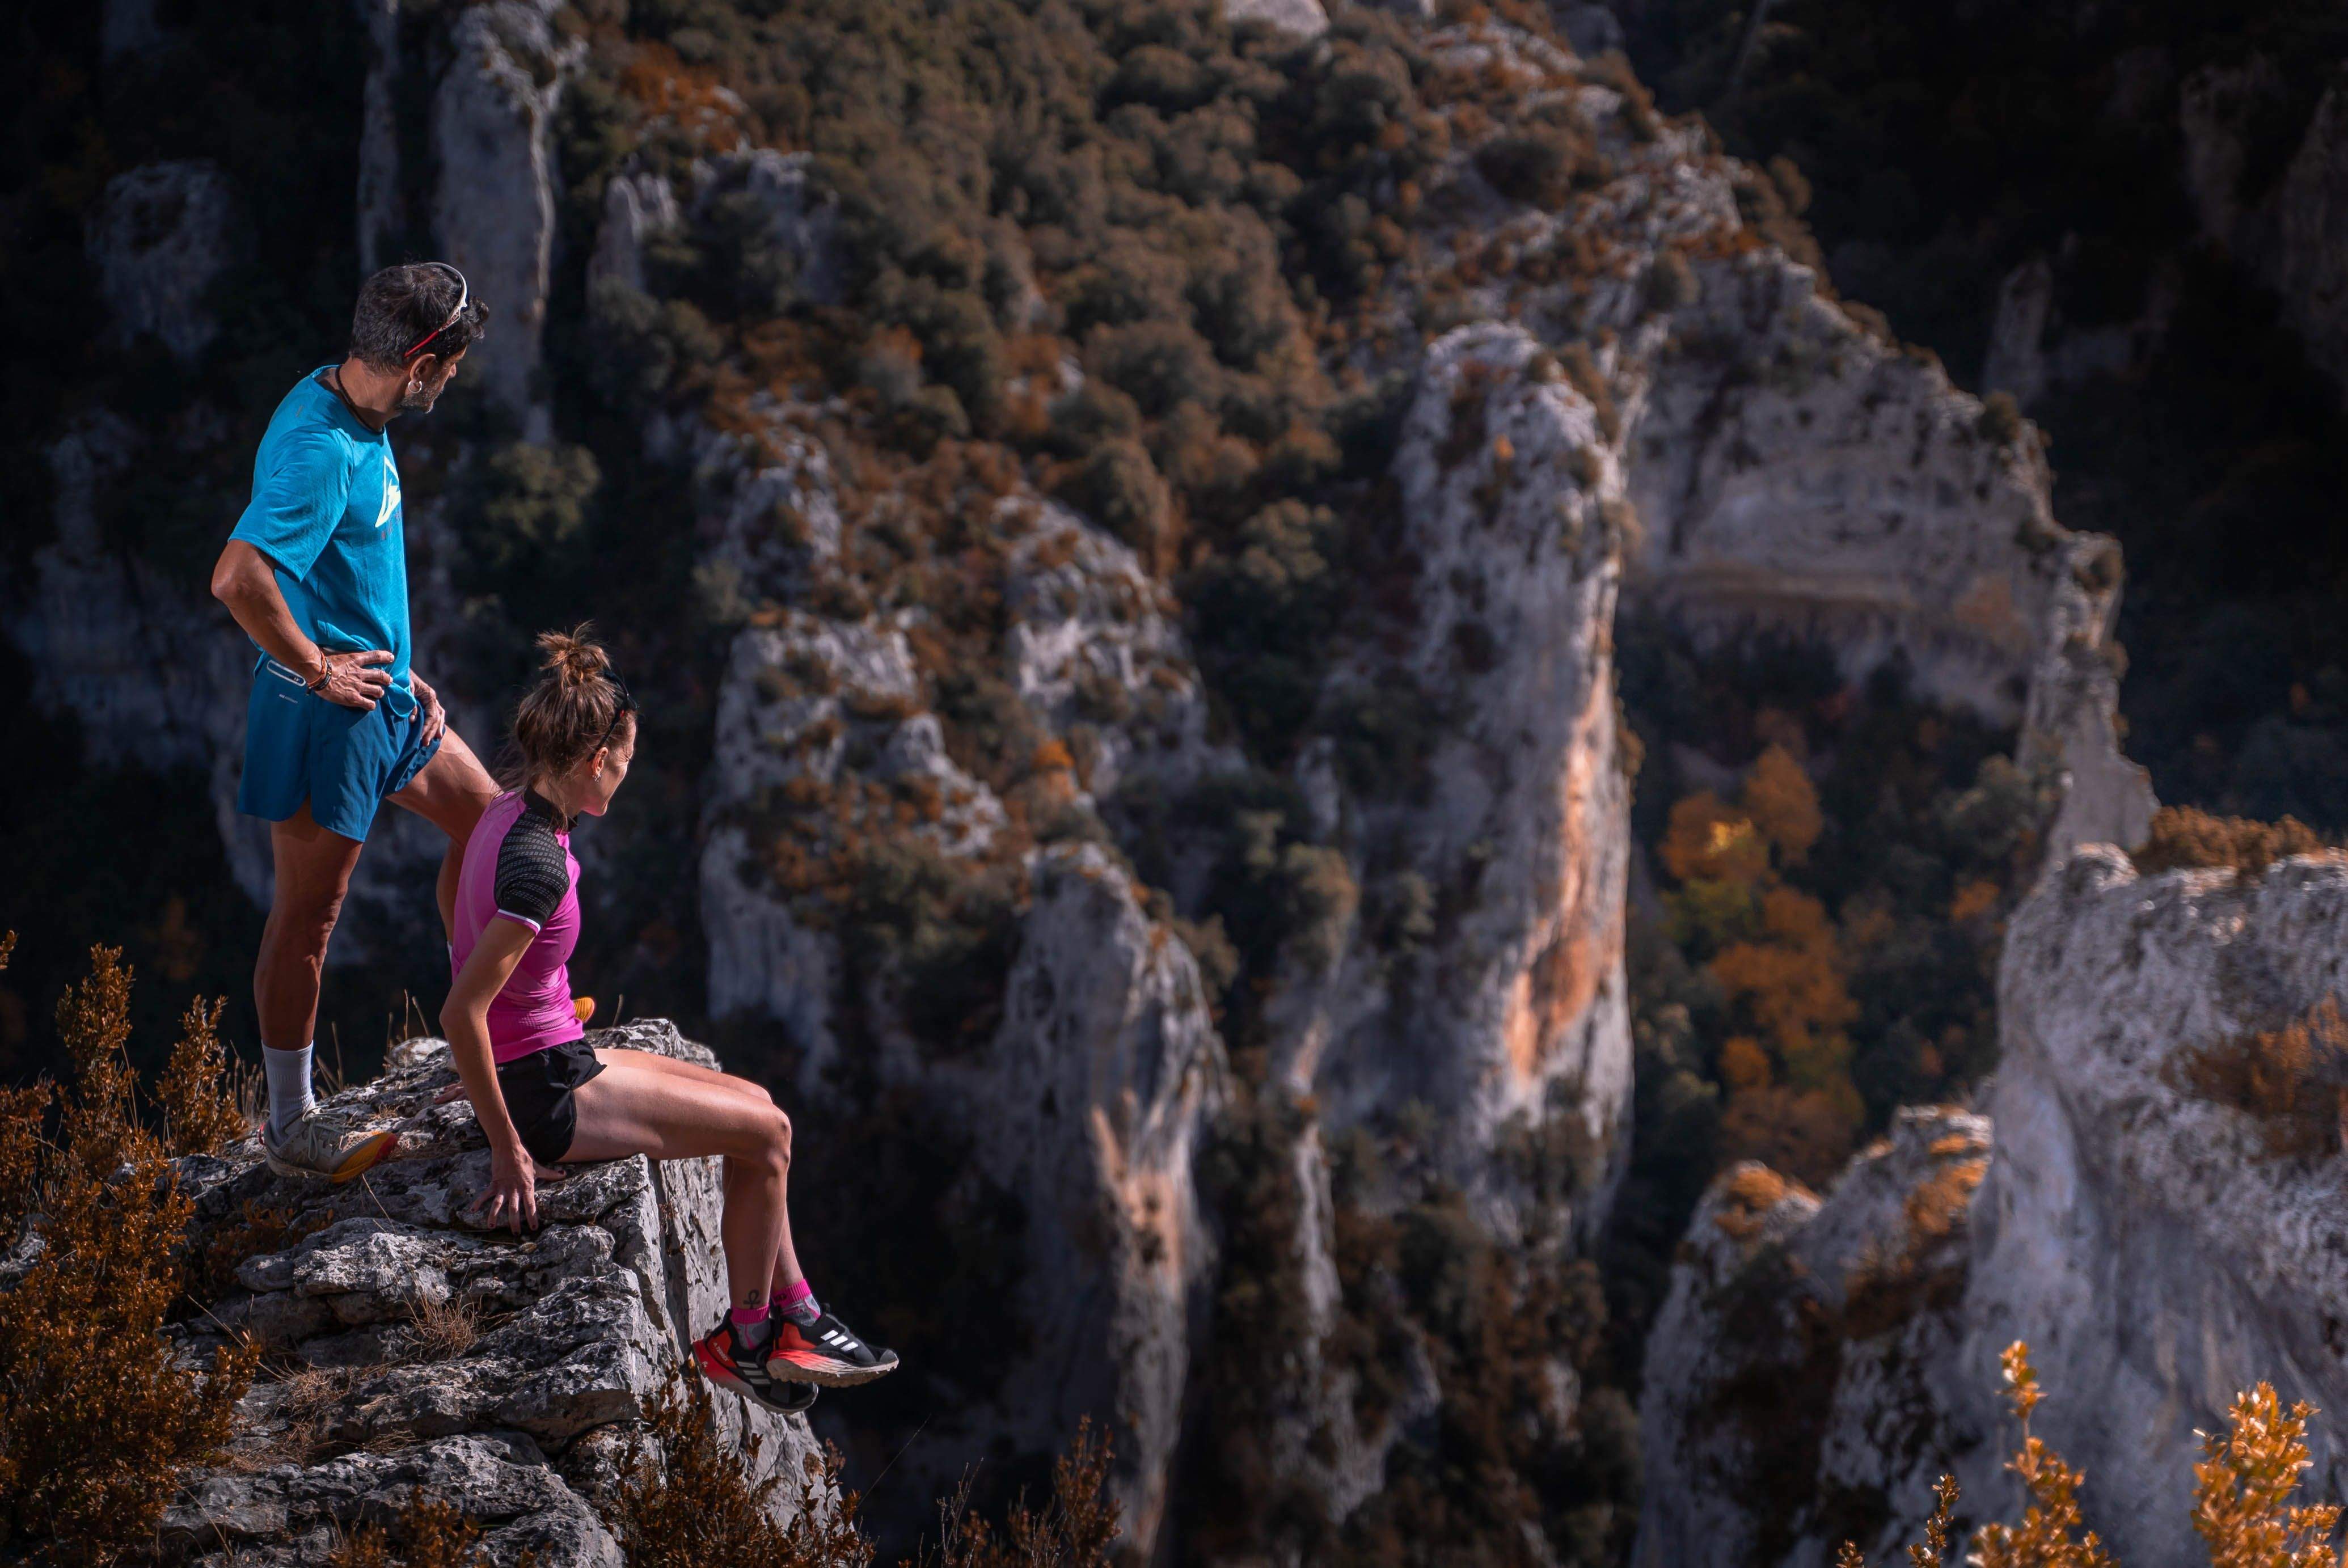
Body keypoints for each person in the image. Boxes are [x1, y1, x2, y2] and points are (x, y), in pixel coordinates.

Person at [436, 628, 899, 1414]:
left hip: (553, 1055)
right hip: (545, 1095)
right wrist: (508, 1147)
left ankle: (800, 1316)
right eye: (625, 757)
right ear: (595, 761)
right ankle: (750, 1342)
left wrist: (531, 1000)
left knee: (757, 1101)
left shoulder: (508, 811)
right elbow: (460, 1011)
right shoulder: (540, 865)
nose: (628, 769)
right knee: (769, 1137)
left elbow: (450, 900)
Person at [210, 263, 501, 1184]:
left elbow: (333, 563)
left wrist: (388, 659)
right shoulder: (324, 449)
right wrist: (320, 665)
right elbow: (238, 576)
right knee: (309, 918)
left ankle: (486, 1032)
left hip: (383, 698)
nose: (452, 381)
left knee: (495, 828)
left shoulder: (346, 406)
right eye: (448, 365)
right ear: (418, 364)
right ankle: (291, 1123)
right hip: (323, 715)